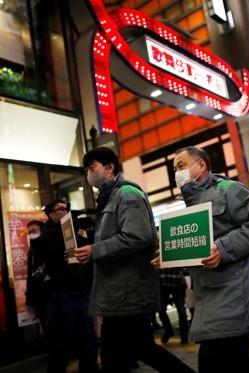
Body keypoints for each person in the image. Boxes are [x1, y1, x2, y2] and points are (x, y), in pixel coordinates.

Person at [75, 147, 193, 373]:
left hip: (128, 292)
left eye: (92, 168)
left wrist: (95, 250)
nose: (88, 174)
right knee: (116, 356)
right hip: (116, 293)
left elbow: (138, 236)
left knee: (136, 349)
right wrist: (89, 251)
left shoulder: (127, 194)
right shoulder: (109, 198)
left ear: (109, 168)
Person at [172, 146, 249, 373]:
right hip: (210, 293)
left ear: (201, 165)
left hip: (234, 292)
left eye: (181, 166)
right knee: (238, 358)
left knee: (216, 358)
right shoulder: (190, 205)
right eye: (174, 169)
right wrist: (170, 256)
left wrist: (222, 248)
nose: (177, 173)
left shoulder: (228, 190)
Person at [40, 200, 98, 373]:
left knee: (87, 335)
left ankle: (90, 367)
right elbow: (51, 254)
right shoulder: (46, 234)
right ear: (50, 213)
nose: (65, 211)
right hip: (62, 294)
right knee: (63, 337)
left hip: (82, 291)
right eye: (61, 209)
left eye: (66, 209)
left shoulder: (72, 230)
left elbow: (88, 248)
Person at [26, 220, 49, 329]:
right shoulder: (31, 250)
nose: (31, 234)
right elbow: (29, 275)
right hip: (37, 297)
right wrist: (29, 299)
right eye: (29, 232)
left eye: (34, 231)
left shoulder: (49, 247)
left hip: (51, 296)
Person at [157, 267, 189, 344]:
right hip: (163, 281)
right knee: (161, 309)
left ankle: (184, 336)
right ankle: (169, 331)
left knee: (181, 311)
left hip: (177, 282)